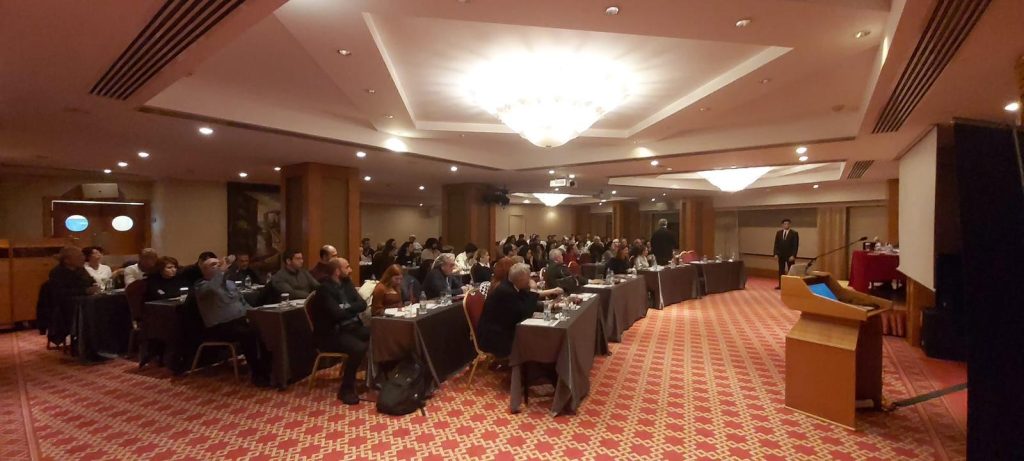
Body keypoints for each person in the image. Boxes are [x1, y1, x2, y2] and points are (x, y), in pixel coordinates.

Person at [194, 258, 272, 387]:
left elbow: (242, 302)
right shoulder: (201, 286)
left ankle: (268, 368)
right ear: (204, 271)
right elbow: (213, 287)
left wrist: (255, 315)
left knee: (265, 328)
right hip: (219, 327)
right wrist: (221, 272)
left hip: (239, 321)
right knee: (248, 334)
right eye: (213, 265)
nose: (218, 266)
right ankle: (257, 373)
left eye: (219, 263)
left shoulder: (230, 284)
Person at [308, 257, 369, 404]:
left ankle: (375, 379)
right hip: (331, 334)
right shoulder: (323, 289)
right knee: (358, 348)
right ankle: (346, 389)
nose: (350, 270)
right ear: (337, 271)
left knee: (380, 332)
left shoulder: (347, 283)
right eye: (347, 267)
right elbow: (337, 314)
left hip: (351, 327)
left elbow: (362, 304)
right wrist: (349, 308)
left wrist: (345, 307)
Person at [476, 263, 562, 358]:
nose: (530, 280)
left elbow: (526, 300)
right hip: (495, 338)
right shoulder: (506, 291)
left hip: (503, 330)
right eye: (528, 278)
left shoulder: (511, 285)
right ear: (521, 279)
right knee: (537, 338)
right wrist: (534, 290)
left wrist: (551, 305)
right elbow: (525, 313)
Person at [773, 218, 800, 289]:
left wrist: (793, 255)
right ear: (782, 225)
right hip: (781, 255)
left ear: (790, 225)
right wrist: (775, 253)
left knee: (791, 271)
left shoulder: (794, 233)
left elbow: (795, 245)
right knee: (781, 271)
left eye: (788, 224)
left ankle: (791, 286)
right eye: (785, 224)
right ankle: (781, 285)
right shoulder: (779, 233)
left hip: (790, 256)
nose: (786, 225)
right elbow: (776, 244)